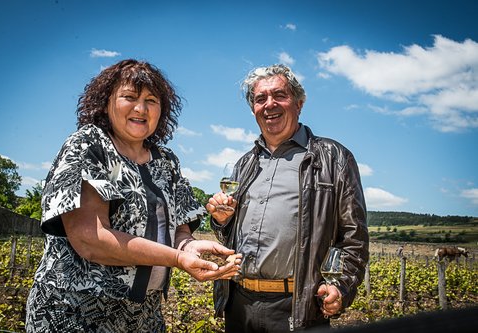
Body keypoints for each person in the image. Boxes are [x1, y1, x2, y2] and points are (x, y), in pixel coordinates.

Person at [25, 59, 240, 332]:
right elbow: (90, 239)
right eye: (129, 97)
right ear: (106, 102)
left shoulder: (166, 161)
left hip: (145, 314)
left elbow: (179, 233)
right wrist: (177, 259)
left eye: (151, 100)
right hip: (76, 311)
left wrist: (189, 247)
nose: (141, 108)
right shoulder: (90, 145)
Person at [206, 64, 369, 332]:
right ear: (254, 109)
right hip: (239, 304)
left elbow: (354, 237)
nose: (269, 104)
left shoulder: (334, 158)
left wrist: (341, 286)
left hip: (297, 307)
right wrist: (222, 221)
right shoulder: (244, 165)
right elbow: (229, 237)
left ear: (299, 103)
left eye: (279, 95)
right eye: (260, 99)